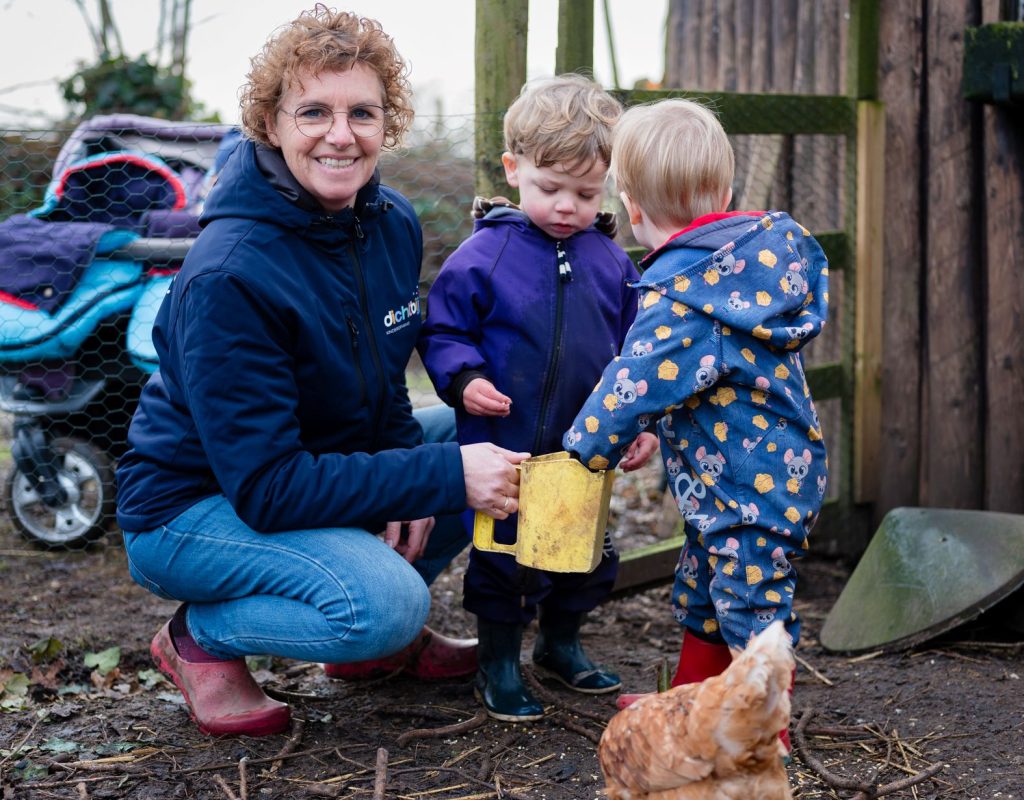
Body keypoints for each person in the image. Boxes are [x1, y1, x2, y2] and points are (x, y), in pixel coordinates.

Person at [115, 5, 529, 738]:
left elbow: (385, 391)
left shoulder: (391, 224)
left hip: (301, 468)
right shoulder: (232, 275)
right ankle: (200, 640)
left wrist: (417, 467)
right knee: (386, 601)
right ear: (270, 124)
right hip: (193, 506)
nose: (341, 135)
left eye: (362, 112)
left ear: (386, 123)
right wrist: (430, 477)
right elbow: (269, 488)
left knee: (470, 433)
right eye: (314, 111)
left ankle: (370, 657)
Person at [561, 98, 829, 752]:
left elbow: (632, 383)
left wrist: (583, 451)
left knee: (750, 611)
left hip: (748, 493)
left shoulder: (684, 296)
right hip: (751, 480)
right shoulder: (744, 268)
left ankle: (761, 741)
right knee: (705, 589)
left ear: (632, 208)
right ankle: (693, 700)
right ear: (726, 191)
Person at [417, 74, 660, 722]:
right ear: (513, 168)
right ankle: (498, 663)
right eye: (550, 188)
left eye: (585, 193)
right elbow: (442, 329)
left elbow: (639, 356)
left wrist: (639, 420)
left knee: (585, 553)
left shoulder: (613, 265)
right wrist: (465, 380)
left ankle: (560, 643)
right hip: (507, 447)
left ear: (608, 183)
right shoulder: (483, 255)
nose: (565, 206)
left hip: (585, 450)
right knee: (503, 559)